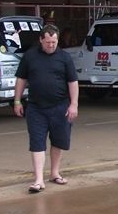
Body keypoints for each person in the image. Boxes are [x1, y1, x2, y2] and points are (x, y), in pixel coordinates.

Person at [14, 24, 79, 194]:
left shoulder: (65, 57)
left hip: (60, 106)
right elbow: (21, 79)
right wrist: (17, 101)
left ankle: (54, 173)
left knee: (59, 141)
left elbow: (73, 82)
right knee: (37, 142)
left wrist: (74, 104)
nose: (51, 45)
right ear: (41, 40)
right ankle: (38, 180)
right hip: (36, 108)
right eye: (48, 42)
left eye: (54, 42)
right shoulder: (30, 56)